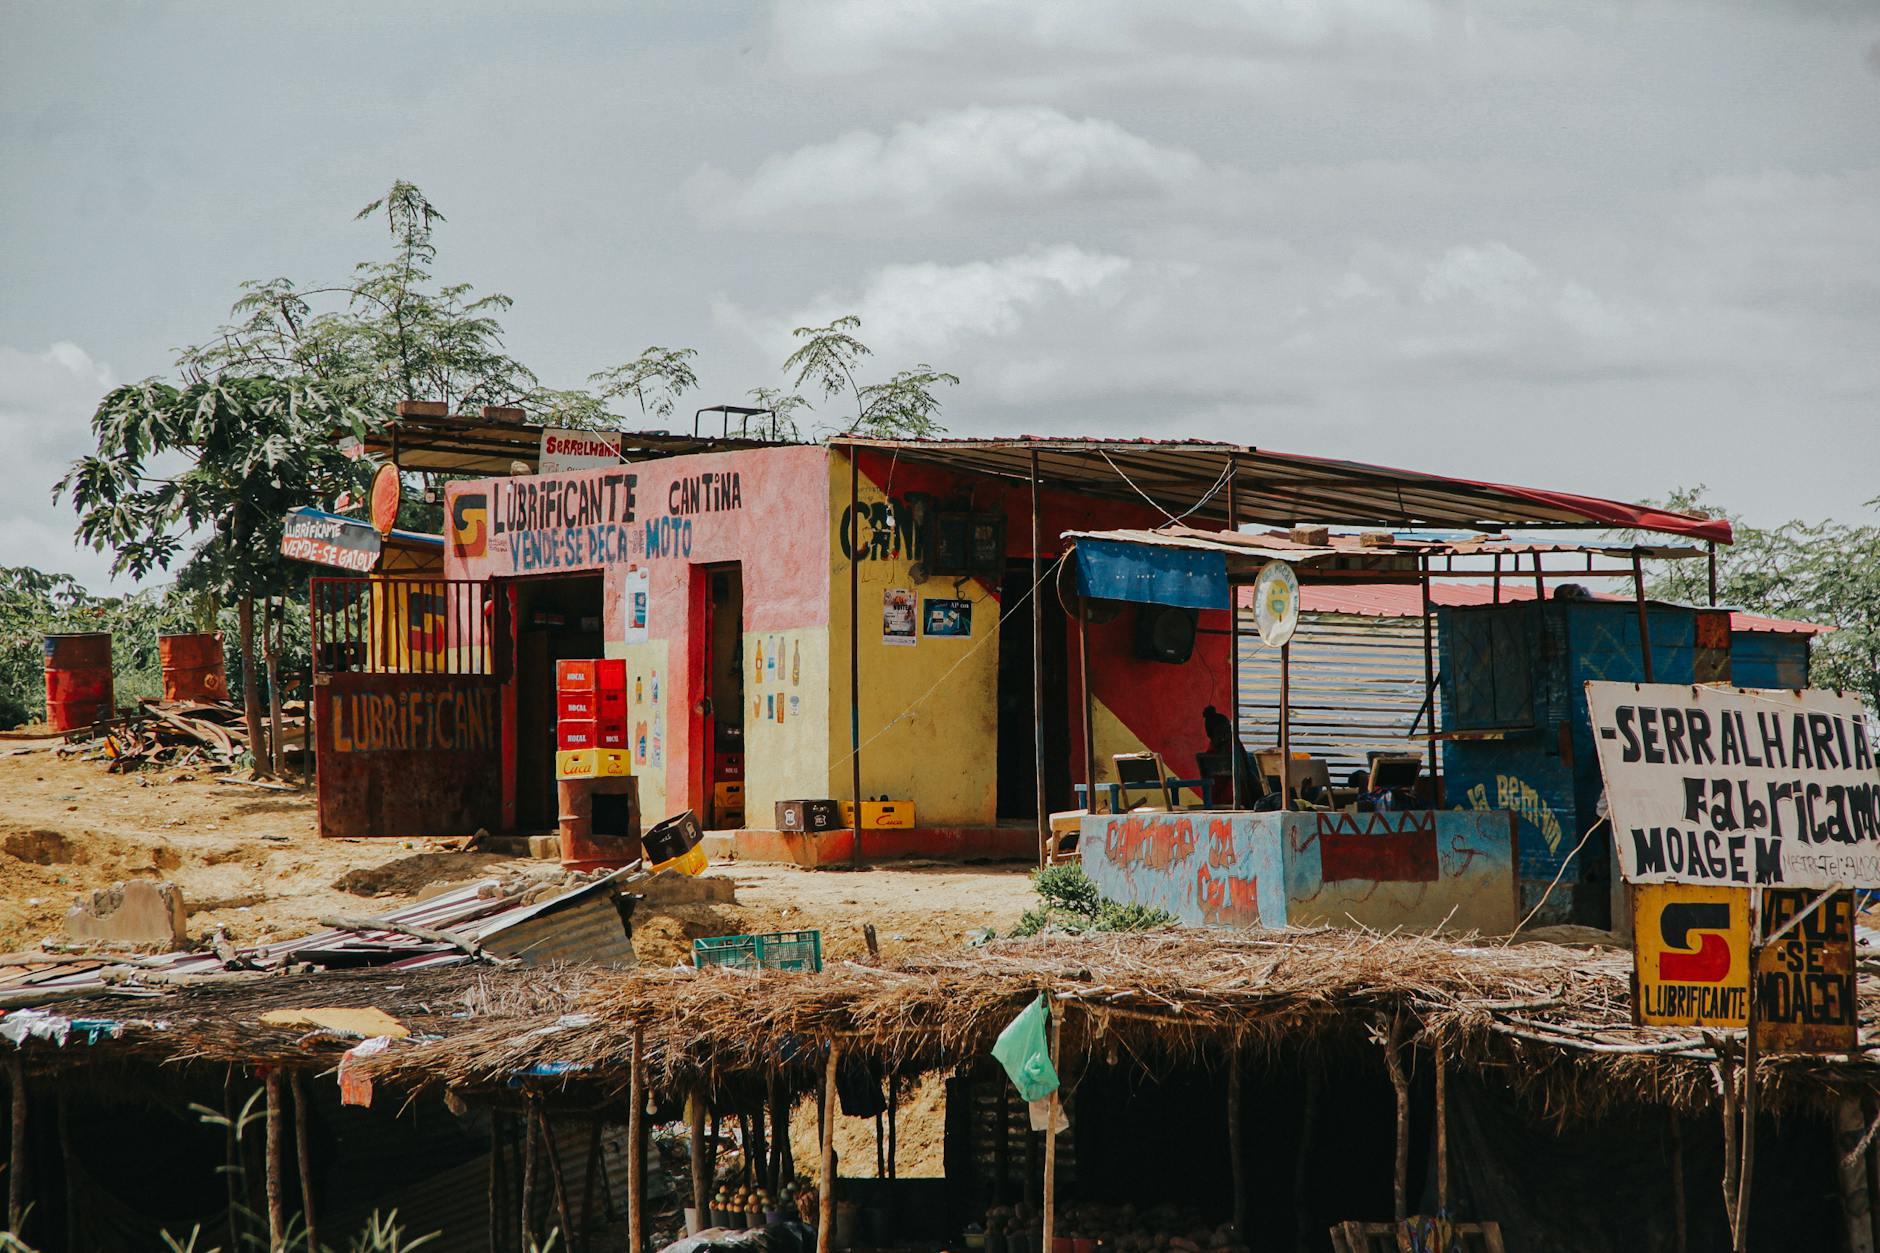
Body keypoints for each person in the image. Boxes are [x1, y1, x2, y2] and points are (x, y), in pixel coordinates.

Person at [1201, 704, 1259, 805]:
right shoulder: (1233, 746)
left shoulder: (1209, 753)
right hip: (1236, 799)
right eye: (1228, 729)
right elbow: (1245, 772)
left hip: (1214, 800)